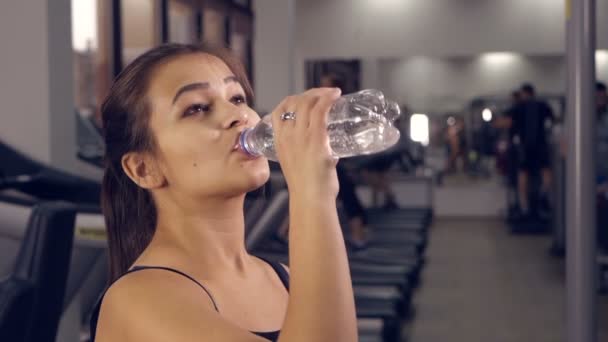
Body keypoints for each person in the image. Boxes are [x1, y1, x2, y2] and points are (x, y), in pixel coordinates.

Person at [91, 43, 357, 341]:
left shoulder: (286, 279)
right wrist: (313, 192)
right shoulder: (137, 300)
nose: (239, 115)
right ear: (143, 169)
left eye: (237, 98)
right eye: (197, 108)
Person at [318, 73, 371, 248]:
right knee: (345, 198)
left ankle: (358, 235)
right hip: (329, 159)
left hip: (337, 160)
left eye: (326, 86)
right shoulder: (327, 108)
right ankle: (360, 233)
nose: (322, 89)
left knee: (348, 197)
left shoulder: (340, 109)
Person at [506, 83, 554, 218]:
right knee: (545, 172)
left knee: (523, 174)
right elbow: (552, 122)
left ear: (524, 93)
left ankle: (525, 206)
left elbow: (508, 122)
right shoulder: (543, 105)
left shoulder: (519, 106)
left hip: (526, 147)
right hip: (541, 146)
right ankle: (543, 195)